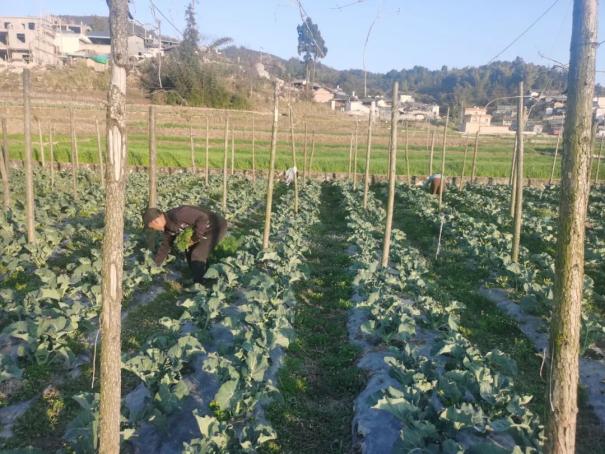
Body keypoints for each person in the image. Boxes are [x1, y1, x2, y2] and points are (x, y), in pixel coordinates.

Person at [143, 205, 228, 284]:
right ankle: (201, 275)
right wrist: (156, 265)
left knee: (197, 253)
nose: (154, 229)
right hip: (203, 230)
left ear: (155, 221)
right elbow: (165, 246)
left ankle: (200, 284)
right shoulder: (168, 229)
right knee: (188, 250)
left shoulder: (178, 214)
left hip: (216, 226)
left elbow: (203, 217)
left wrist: (196, 237)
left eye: (152, 227)